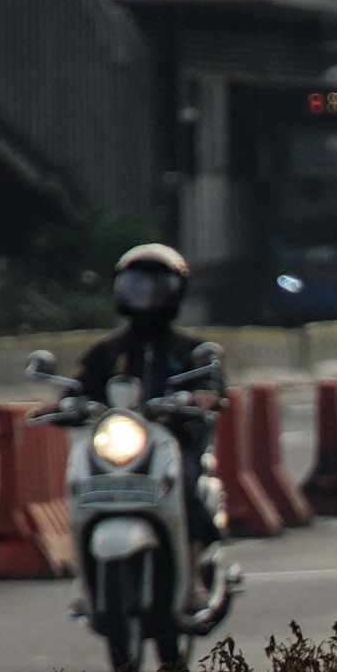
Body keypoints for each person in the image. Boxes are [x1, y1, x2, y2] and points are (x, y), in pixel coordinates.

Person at [72, 243, 222, 608]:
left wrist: (200, 397)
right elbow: (79, 387)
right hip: (118, 445)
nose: (146, 295)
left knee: (185, 484)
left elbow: (212, 387)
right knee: (79, 485)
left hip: (173, 441)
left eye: (156, 286)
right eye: (136, 285)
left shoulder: (193, 351)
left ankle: (193, 579)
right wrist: (65, 404)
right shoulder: (106, 351)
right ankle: (85, 586)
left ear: (176, 291)